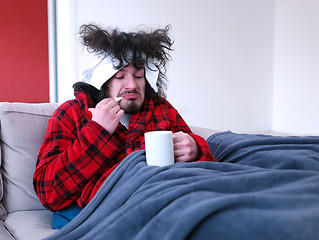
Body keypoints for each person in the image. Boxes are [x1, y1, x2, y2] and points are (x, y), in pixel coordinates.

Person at [33, 24, 216, 229]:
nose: (132, 85)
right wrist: (97, 132)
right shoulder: (72, 113)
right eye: (120, 76)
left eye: (139, 76)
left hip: (171, 203)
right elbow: (48, 193)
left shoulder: (162, 110)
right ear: (103, 82)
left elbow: (206, 170)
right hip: (112, 216)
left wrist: (196, 148)